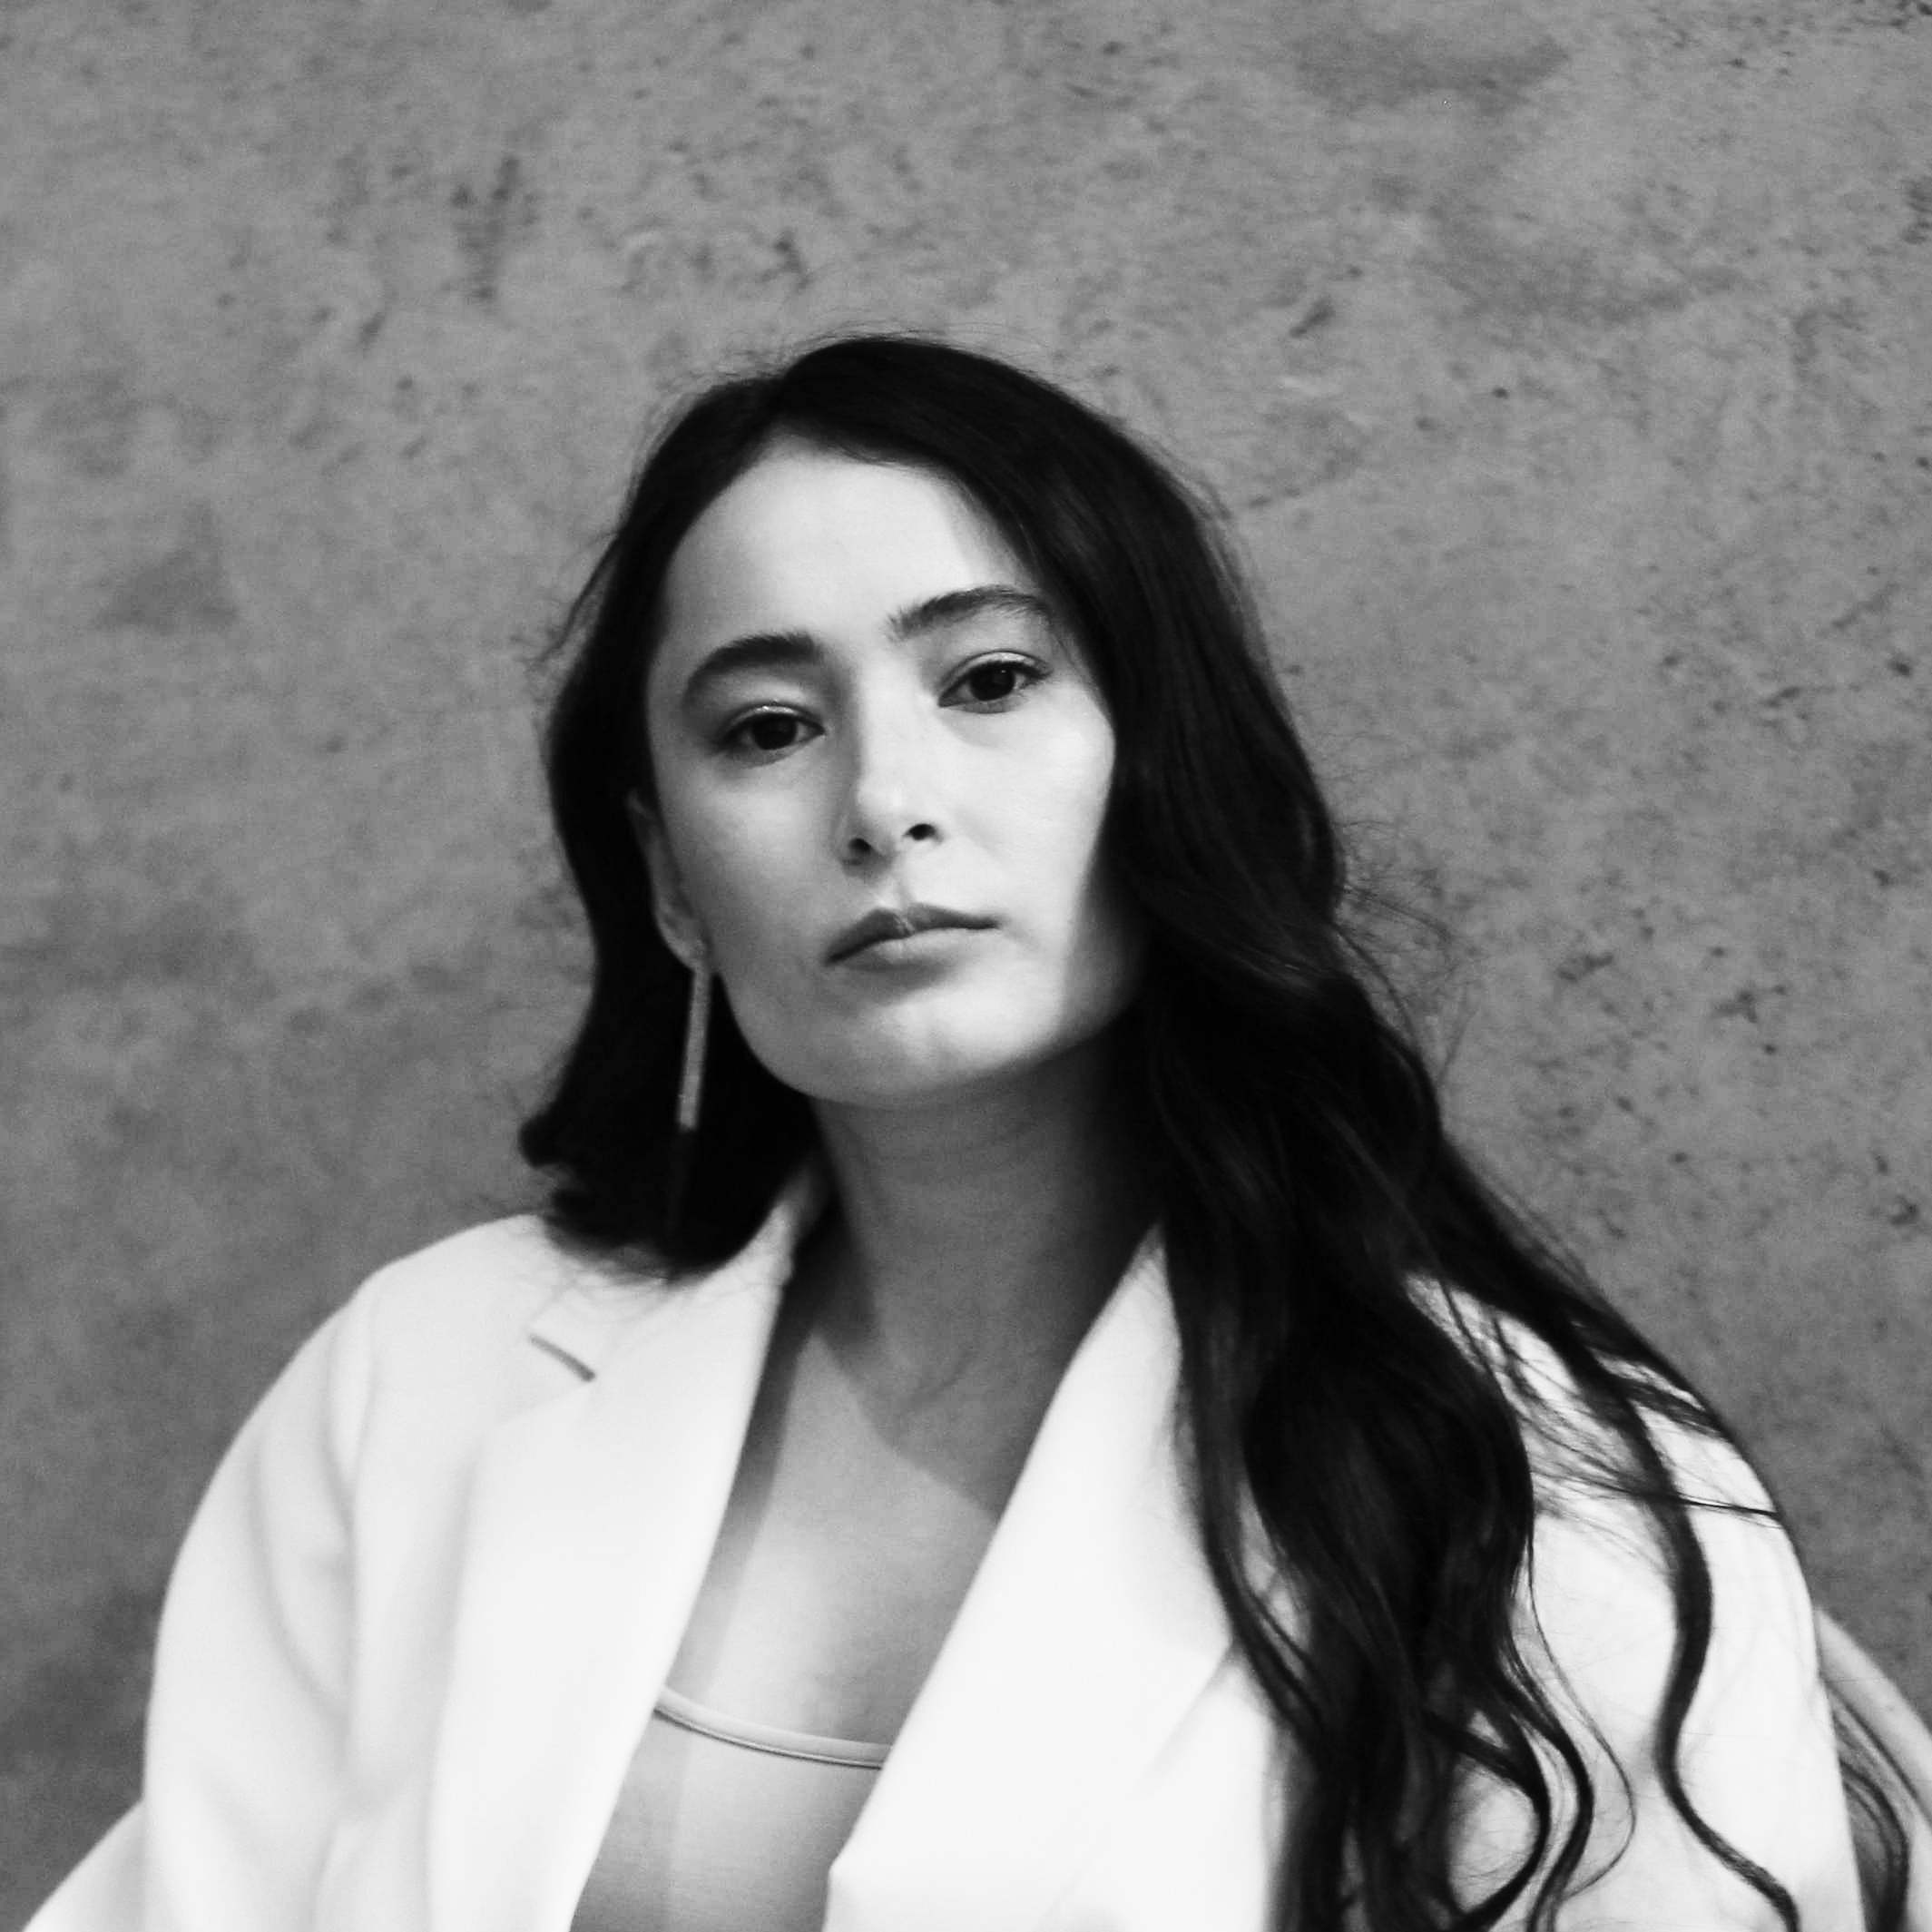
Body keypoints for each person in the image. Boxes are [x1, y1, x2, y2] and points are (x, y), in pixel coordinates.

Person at [27, 334, 1900, 1932]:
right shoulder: (418, 1384)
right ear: (671, 878)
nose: (885, 799)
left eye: (990, 680)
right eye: (767, 727)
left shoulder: (1548, 1491)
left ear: (1164, 757)